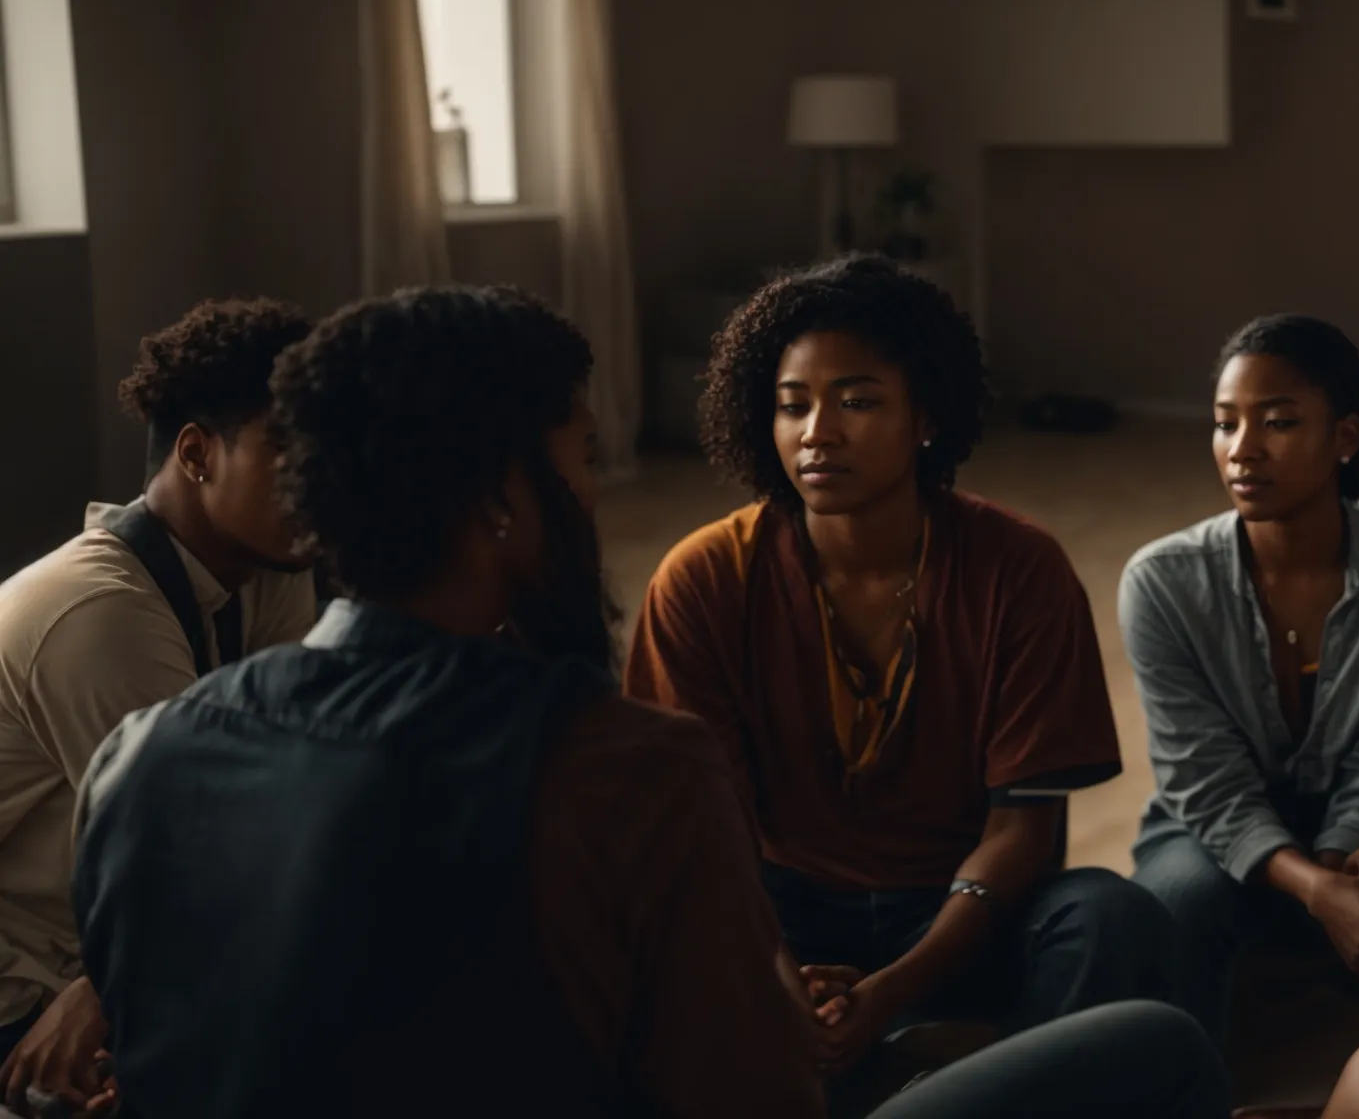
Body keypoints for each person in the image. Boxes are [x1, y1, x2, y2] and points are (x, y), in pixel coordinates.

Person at [71, 284, 1229, 1119]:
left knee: (1100, 919)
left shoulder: (138, 760)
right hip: (785, 968)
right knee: (1161, 1048)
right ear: (498, 501)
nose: (594, 491)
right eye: (580, 458)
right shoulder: (617, 765)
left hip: (906, 933)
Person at [624, 256, 1176, 1100]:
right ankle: (937, 1079)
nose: (818, 431)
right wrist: (785, 976)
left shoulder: (1017, 570)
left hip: (960, 912)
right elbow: (707, 838)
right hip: (779, 914)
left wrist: (894, 988)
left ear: (926, 417)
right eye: (791, 404)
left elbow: (1024, 832)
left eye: (857, 401)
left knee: (1109, 915)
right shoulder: (703, 578)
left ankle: (948, 1073)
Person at [0, 299, 318, 1113]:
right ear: (196, 454)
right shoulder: (96, 611)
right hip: (24, 987)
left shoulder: (271, 570)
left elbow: (291, 793)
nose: (314, 479)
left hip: (101, 949)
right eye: (286, 449)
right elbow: (204, 856)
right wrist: (109, 989)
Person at [1121, 315, 1359, 1046]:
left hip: (1358, 821)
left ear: (1344, 438)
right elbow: (1203, 784)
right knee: (1175, 903)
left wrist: (1348, 866)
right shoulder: (1162, 583)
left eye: (1277, 422)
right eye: (1224, 424)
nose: (1243, 450)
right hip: (1207, 835)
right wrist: (1319, 891)